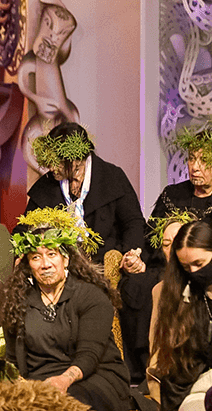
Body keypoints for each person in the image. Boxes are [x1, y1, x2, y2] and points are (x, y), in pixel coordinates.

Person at [26, 122, 147, 384]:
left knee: (135, 288)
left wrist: (132, 254)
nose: (53, 168)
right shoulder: (47, 186)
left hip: (106, 264)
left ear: (78, 160)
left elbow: (133, 223)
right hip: (59, 266)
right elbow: (24, 228)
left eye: (59, 162)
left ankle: (131, 372)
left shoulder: (112, 178)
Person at [0, 207, 131, 411]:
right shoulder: (17, 302)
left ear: (65, 259)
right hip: (38, 385)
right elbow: (12, 360)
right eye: (36, 257)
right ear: (28, 266)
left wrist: (62, 381)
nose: (45, 264)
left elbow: (90, 355)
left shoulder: (90, 296)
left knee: (66, 403)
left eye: (52, 254)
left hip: (93, 378)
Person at [136, 221, 212, 411]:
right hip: (202, 385)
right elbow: (182, 361)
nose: (194, 272)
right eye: (187, 267)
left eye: (200, 263)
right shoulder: (183, 297)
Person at [146, 211, 197, 403]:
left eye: (177, 241)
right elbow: (156, 345)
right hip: (173, 378)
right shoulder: (159, 291)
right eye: (166, 244)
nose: (171, 249)